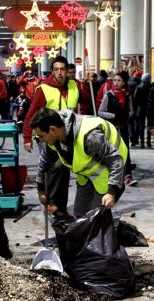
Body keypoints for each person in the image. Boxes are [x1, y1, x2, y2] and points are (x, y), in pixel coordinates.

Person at [22, 55, 90, 216]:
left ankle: (57, 206)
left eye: (62, 69)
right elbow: (30, 115)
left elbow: (86, 99)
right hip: (47, 135)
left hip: (66, 134)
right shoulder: (43, 89)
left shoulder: (74, 85)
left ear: (67, 71)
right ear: (52, 71)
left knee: (62, 169)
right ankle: (54, 204)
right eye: (56, 69)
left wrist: (86, 85)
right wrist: (27, 138)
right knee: (55, 167)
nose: (59, 73)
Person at [30, 108, 127, 218]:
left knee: (95, 218)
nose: (41, 140)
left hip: (108, 169)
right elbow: (43, 161)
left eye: (41, 136)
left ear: (52, 130)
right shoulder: (54, 138)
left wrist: (111, 192)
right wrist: (41, 189)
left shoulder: (89, 136)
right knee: (80, 215)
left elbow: (116, 161)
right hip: (87, 173)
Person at [98, 71, 137, 186]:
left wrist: (126, 115)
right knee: (111, 152)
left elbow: (131, 111)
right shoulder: (108, 95)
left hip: (124, 128)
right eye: (114, 80)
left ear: (123, 82)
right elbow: (100, 112)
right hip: (111, 129)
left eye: (119, 80)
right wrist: (113, 116)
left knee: (125, 151)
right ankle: (110, 176)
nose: (116, 83)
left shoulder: (127, 95)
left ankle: (128, 176)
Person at [134, 73, 152, 148]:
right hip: (149, 108)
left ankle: (142, 143)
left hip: (140, 108)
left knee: (141, 126)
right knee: (149, 125)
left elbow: (135, 97)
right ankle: (148, 141)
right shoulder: (152, 87)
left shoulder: (139, 87)